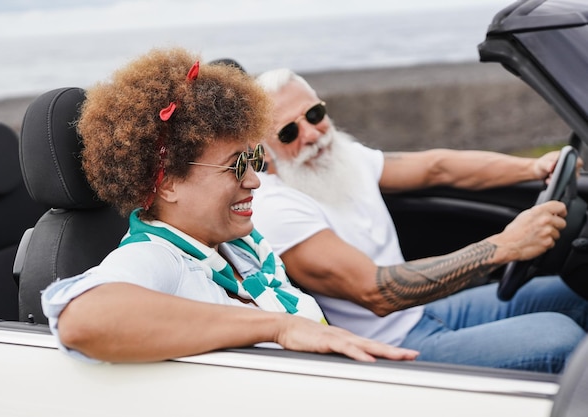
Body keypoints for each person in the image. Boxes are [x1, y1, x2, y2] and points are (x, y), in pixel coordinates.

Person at [40, 48, 419, 364]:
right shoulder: (160, 258)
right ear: (168, 183)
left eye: (253, 159)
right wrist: (279, 327)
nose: (253, 179)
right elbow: (84, 318)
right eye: (236, 165)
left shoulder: (238, 244)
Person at [251, 68, 588, 373]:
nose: (311, 134)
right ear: (263, 150)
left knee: (575, 294)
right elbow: (377, 292)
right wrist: (503, 247)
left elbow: (436, 167)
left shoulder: (341, 157)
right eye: (289, 132)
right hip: (391, 350)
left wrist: (531, 168)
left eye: (315, 114)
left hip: (423, 311)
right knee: (561, 337)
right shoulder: (278, 207)